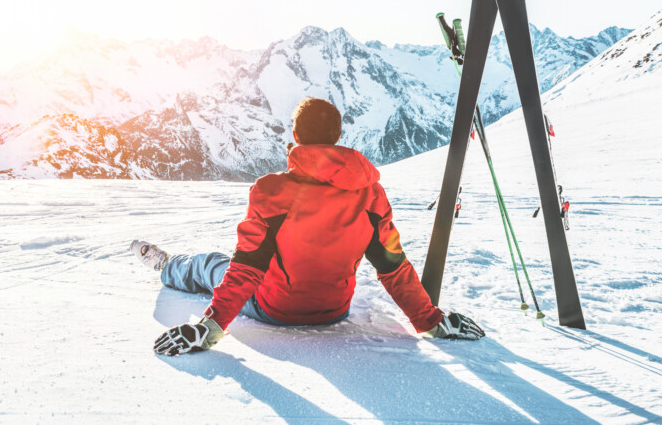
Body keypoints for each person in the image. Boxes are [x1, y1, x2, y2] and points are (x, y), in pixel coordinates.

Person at [131, 97, 484, 356]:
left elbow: (246, 269)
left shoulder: (271, 191)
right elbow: (394, 266)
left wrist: (209, 328)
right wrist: (430, 320)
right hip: (335, 309)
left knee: (211, 264)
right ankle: (171, 266)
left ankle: (167, 266)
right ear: (338, 135)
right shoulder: (371, 194)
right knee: (228, 265)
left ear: (296, 136)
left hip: (276, 310)